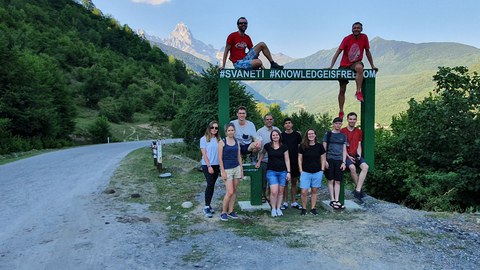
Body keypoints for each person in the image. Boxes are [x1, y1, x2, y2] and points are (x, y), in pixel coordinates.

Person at [329, 22, 378, 119]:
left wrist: (372, 66)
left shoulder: (364, 38)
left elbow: (367, 52)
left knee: (360, 68)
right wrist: (331, 67)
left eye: (358, 28)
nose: (356, 29)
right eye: (354, 28)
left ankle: (358, 91)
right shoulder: (347, 39)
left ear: (361, 29)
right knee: (342, 89)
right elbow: (338, 52)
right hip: (344, 65)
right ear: (352, 29)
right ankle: (341, 110)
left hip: (355, 63)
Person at [255, 130, 291, 217]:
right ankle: (273, 208)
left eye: (277, 135)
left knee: (280, 191)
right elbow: (262, 154)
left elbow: (287, 159)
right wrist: (259, 162)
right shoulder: (267, 146)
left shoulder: (284, 146)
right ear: (271, 137)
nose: (275, 136)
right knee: (274, 191)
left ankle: (278, 208)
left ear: (279, 136)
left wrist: (288, 172)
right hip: (271, 171)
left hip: (282, 171)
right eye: (273, 135)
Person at [341, 112, 369, 204]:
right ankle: (359, 191)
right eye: (350, 119)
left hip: (355, 154)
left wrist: (359, 155)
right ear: (347, 120)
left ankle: (357, 191)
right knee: (352, 168)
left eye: (354, 119)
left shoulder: (359, 131)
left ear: (356, 120)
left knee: (365, 167)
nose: (352, 121)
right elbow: (343, 146)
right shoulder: (343, 131)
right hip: (347, 155)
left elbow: (359, 144)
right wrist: (349, 157)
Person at [218, 123, 243, 221]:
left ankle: (231, 211)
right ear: (226, 132)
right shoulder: (222, 142)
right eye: (229, 130)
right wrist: (222, 171)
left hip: (236, 168)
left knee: (234, 191)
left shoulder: (237, 142)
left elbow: (239, 156)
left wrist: (241, 169)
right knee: (230, 191)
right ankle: (223, 212)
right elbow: (220, 158)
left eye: (232, 130)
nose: (231, 132)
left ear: (234, 131)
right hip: (227, 169)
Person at [298, 129, 326, 215]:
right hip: (305, 172)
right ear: (307, 135)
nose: (311, 135)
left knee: (314, 190)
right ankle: (304, 208)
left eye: (312, 134)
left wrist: (322, 170)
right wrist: (301, 170)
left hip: (317, 172)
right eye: (309, 134)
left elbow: (323, 158)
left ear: (315, 135)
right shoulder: (302, 146)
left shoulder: (320, 146)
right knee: (304, 191)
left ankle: (313, 208)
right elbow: (299, 158)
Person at [323, 117, 348, 210]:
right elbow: (324, 148)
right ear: (333, 124)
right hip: (329, 159)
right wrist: (324, 160)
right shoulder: (328, 134)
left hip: (339, 160)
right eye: (336, 123)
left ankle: (337, 200)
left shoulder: (343, 136)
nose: (338, 125)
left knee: (338, 180)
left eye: (340, 123)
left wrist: (344, 162)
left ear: (341, 124)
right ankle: (332, 200)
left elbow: (345, 150)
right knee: (330, 180)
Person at [256, 114, 280, 203]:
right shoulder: (259, 131)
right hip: (264, 160)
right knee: (263, 180)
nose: (269, 121)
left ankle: (271, 196)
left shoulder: (277, 130)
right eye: (267, 119)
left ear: (273, 120)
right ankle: (263, 195)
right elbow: (257, 144)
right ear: (264, 121)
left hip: (275, 160)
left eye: (271, 119)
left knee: (273, 180)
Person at [200, 121, 221, 218]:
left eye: (216, 128)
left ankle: (209, 204)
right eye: (212, 127)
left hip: (217, 165)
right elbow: (204, 154)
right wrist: (209, 166)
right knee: (210, 184)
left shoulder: (219, 140)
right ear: (209, 128)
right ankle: (206, 206)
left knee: (212, 185)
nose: (214, 129)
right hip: (207, 165)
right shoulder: (204, 139)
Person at [281, 117, 303, 210]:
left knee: (294, 182)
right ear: (284, 125)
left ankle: (294, 201)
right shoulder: (281, 135)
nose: (288, 124)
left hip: (295, 161)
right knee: (285, 183)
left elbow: (299, 147)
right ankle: (285, 202)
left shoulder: (297, 135)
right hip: (285, 161)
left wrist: (300, 161)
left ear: (292, 124)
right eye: (286, 123)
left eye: (289, 123)